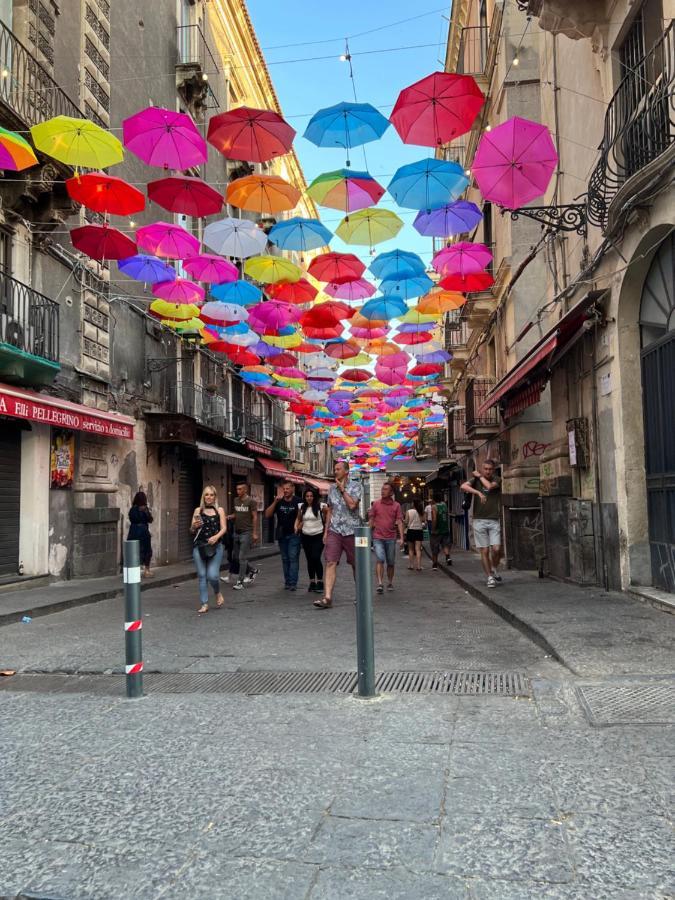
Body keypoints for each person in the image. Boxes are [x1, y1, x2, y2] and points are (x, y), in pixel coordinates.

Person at [316, 460, 362, 609]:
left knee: (356, 565)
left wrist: (343, 490)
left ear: (346, 471)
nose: (335, 471)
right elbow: (330, 510)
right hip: (335, 530)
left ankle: (360, 596)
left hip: (352, 531)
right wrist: (326, 531)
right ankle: (327, 597)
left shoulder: (356, 486)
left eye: (338, 469)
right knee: (330, 562)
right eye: (334, 469)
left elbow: (353, 505)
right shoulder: (331, 489)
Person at [461, 459, 503, 588]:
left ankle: (494, 568)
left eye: (490, 469)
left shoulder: (497, 479)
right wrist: (477, 492)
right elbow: (463, 486)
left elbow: (489, 487)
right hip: (479, 520)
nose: (488, 471)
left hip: (494, 519)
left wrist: (479, 476)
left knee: (496, 549)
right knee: (484, 551)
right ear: (482, 468)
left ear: (494, 469)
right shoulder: (475, 480)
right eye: (485, 469)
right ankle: (489, 577)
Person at [190, 485, 226, 614]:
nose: (209, 497)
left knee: (213, 575)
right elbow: (191, 530)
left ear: (215, 496)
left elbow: (224, 528)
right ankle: (204, 603)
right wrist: (194, 526)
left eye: (211, 495)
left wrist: (216, 537)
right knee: (201, 576)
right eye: (206, 494)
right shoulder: (198, 510)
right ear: (203, 497)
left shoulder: (219, 510)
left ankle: (217, 592)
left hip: (216, 546)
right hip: (199, 546)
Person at [368, 481, 404, 593]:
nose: (382, 491)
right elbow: (371, 519)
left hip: (391, 538)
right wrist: (369, 533)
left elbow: (399, 521)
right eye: (382, 489)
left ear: (391, 492)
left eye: (385, 489)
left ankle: (389, 582)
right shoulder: (376, 504)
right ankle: (379, 583)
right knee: (380, 559)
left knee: (391, 562)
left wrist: (402, 537)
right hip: (377, 537)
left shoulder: (396, 505)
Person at [265, 480, 301, 591]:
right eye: (284, 489)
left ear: (293, 489)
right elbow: (267, 514)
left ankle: (293, 583)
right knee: (285, 559)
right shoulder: (279, 502)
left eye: (287, 488)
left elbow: (303, 516)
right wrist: (275, 502)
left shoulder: (298, 501)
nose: (285, 491)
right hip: (282, 534)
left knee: (293, 558)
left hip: (294, 534)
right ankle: (287, 582)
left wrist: (298, 527)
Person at [227, 482, 259, 591]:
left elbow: (254, 517)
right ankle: (253, 570)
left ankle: (240, 582)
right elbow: (236, 513)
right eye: (237, 489)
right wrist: (229, 516)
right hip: (236, 532)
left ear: (245, 490)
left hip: (247, 532)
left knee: (242, 557)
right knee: (236, 557)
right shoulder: (235, 500)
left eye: (240, 489)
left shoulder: (251, 501)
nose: (238, 491)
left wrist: (254, 533)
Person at [295, 487, 325, 595]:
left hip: (318, 535)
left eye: (311, 496)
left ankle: (320, 582)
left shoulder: (321, 506)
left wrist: (326, 533)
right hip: (305, 536)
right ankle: (312, 582)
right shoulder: (301, 507)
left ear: (314, 497)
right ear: (305, 497)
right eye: (307, 496)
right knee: (309, 559)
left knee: (316, 557)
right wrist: (296, 526)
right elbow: (299, 518)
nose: (309, 498)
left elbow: (328, 518)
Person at [127, 491, 153, 578]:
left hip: (134, 532)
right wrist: (144, 511)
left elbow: (133, 519)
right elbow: (150, 519)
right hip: (143, 532)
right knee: (147, 550)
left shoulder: (132, 509)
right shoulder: (142, 509)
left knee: (135, 551)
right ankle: (146, 570)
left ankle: (137, 571)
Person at [430, 492, 452, 570]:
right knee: (445, 544)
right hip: (445, 529)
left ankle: (435, 564)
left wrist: (433, 529)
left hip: (437, 531)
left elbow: (435, 519)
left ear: (434, 499)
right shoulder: (444, 505)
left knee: (434, 547)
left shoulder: (434, 507)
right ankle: (448, 557)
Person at [404, 499, 425, 572]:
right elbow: (424, 521)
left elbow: (406, 522)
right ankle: (419, 566)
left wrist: (404, 523)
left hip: (411, 531)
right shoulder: (421, 511)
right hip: (419, 531)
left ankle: (411, 565)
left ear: (413, 504)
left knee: (411, 549)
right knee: (418, 549)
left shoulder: (409, 511)